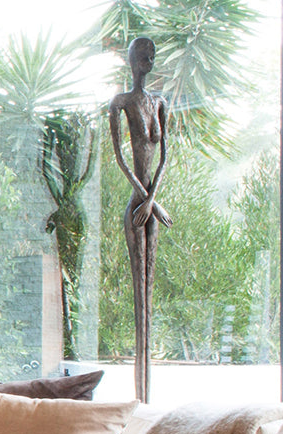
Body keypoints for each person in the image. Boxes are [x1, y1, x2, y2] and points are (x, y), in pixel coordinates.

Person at [109, 36, 173, 402]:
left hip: (149, 203)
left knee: (149, 294)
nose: (149, 60)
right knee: (139, 295)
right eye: (143, 55)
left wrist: (154, 200)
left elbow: (164, 157)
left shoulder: (159, 102)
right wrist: (145, 199)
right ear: (131, 60)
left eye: (153, 54)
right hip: (137, 203)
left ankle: (147, 398)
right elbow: (120, 156)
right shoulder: (121, 103)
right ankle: (139, 398)